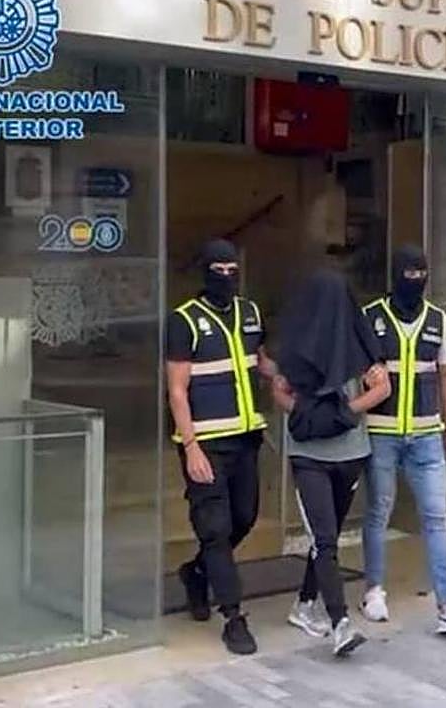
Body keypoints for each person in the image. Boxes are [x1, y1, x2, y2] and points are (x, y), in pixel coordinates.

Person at [358, 245, 446, 635]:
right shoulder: (370, 317)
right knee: (378, 511)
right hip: (381, 432)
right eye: (409, 274)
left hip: (428, 434)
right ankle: (373, 591)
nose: (416, 281)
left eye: (422, 274)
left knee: (435, 516)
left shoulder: (438, 320)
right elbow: (357, 370)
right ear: (395, 276)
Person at [271, 270, 391, 657]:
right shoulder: (295, 350)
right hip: (310, 458)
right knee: (324, 539)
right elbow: (282, 396)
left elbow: (383, 390)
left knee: (327, 541)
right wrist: (342, 411)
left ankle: (304, 605)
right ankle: (340, 623)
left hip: (351, 456)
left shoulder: (362, 345)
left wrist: (330, 412)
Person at [166, 238, 275, 655]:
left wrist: (288, 376)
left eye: (233, 269)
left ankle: (196, 573)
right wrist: (190, 446)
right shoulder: (185, 321)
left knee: (243, 518)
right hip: (206, 443)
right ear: (205, 272)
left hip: (246, 439)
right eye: (219, 270)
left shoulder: (250, 312)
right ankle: (233, 617)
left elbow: (259, 362)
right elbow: (177, 389)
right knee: (215, 528)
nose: (227, 276)